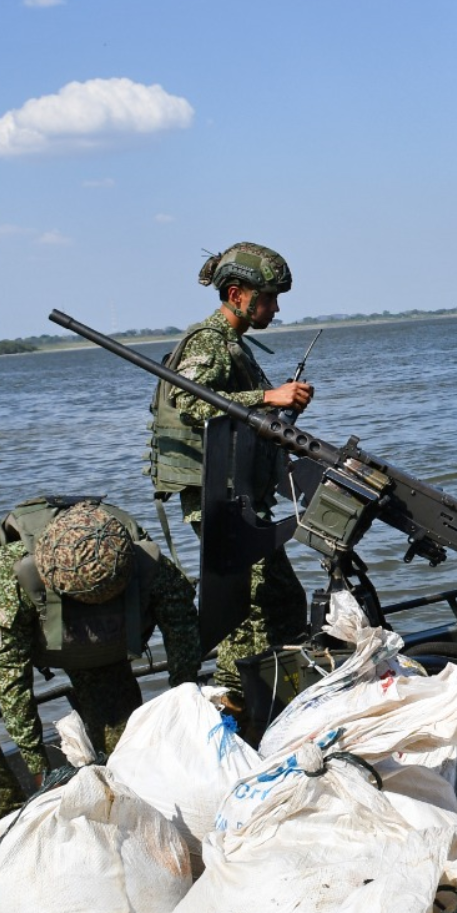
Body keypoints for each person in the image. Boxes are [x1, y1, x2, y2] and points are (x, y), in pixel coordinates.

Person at [0, 498, 200, 822]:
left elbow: (183, 634)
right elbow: (10, 676)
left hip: (100, 647)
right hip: (23, 629)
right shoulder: (14, 573)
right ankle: (7, 815)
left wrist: (185, 710)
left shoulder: (148, 564)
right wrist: (37, 767)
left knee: (126, 761)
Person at [147, 241, 311, 696]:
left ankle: (281, 694)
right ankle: (234, 702)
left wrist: (278, 414)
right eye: (269, 298)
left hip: (238, 495)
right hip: (218, 501)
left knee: (282, 601)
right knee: (248, 609)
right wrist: (267, 397)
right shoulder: (208, 342)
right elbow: (190, 401)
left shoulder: (234, 346)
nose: (275, 309)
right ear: (238, 294)